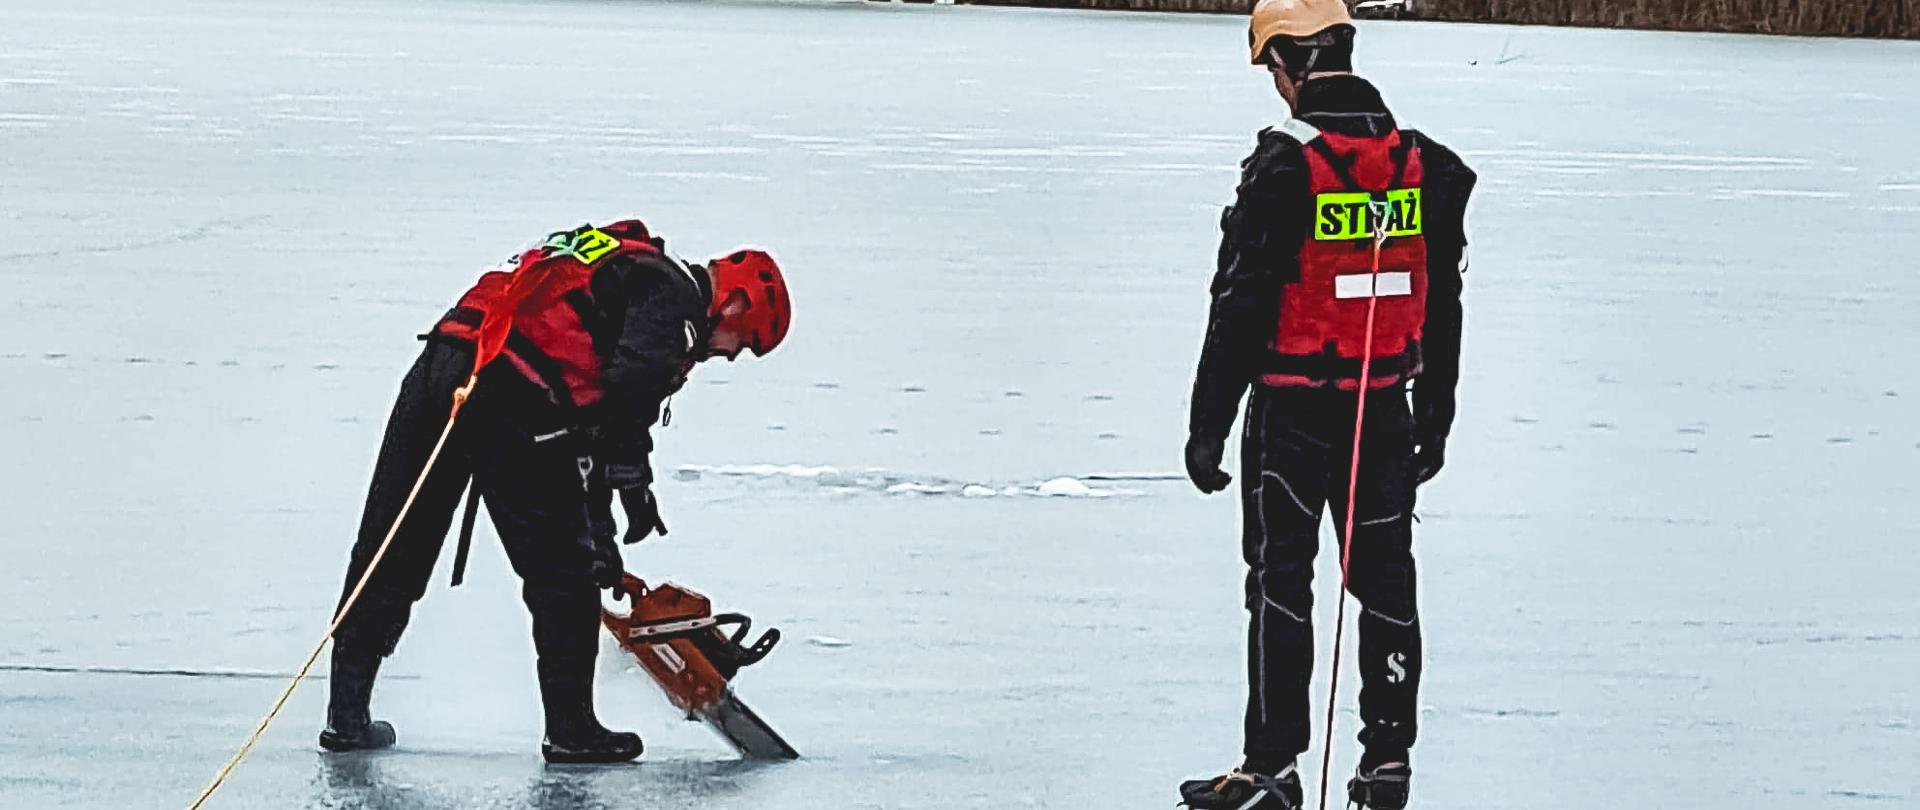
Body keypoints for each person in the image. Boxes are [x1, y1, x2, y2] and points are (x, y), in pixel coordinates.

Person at [319, 219, 791, 764]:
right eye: (744, 342)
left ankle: (345, 717)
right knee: (563, 577)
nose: (730, 356)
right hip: (506, 391)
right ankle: (573, 731)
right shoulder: (675, 299)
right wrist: (632, 487)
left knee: (391, 548)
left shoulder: (631, 270)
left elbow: (585, 440)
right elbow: (628, 394)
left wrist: (602, 546)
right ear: (733, 305)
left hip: (444, 363)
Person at [1179, 1, 1476, 807]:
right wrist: (1436, 414)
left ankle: (1271, 768)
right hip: (1386, 411)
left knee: (1281, 583)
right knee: (1387, 585)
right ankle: (1388, 763)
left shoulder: (1283, 165)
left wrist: (1207, 426)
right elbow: (1442, 302)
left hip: (1291, 413)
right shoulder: (1424, 164)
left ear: (1288, 63)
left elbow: (1239, 304)